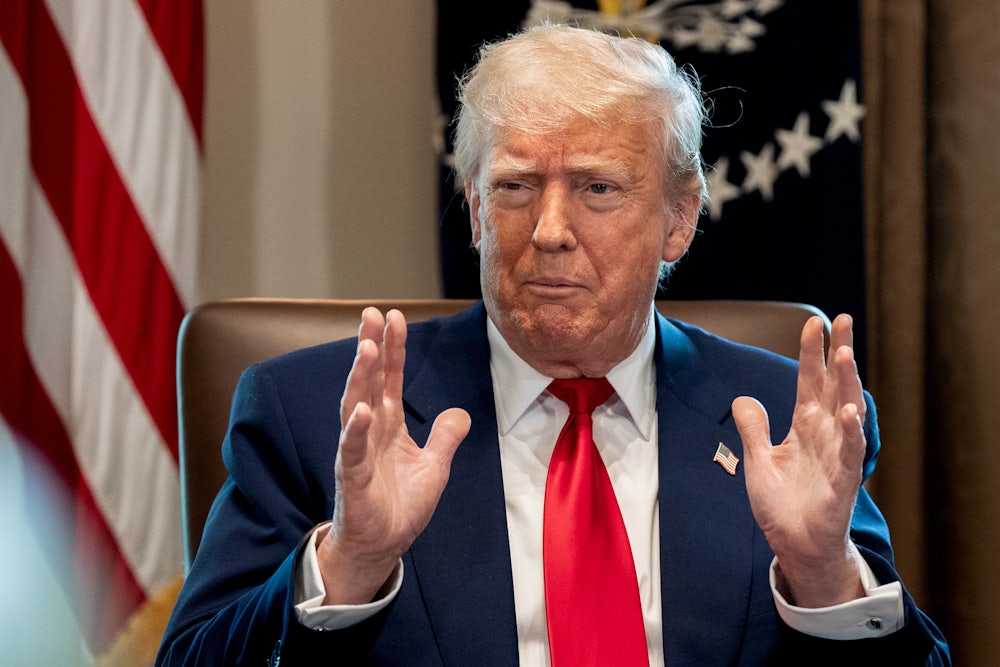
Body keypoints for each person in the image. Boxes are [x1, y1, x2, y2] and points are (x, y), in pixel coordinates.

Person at [157, 23, 949, 666]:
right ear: (473, 211)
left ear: (679, 218)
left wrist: (824, 580)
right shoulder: (316, 415)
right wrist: (346, 567)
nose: (550, 231)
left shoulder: (783, 415)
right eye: (515, 186)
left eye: (598, 188)